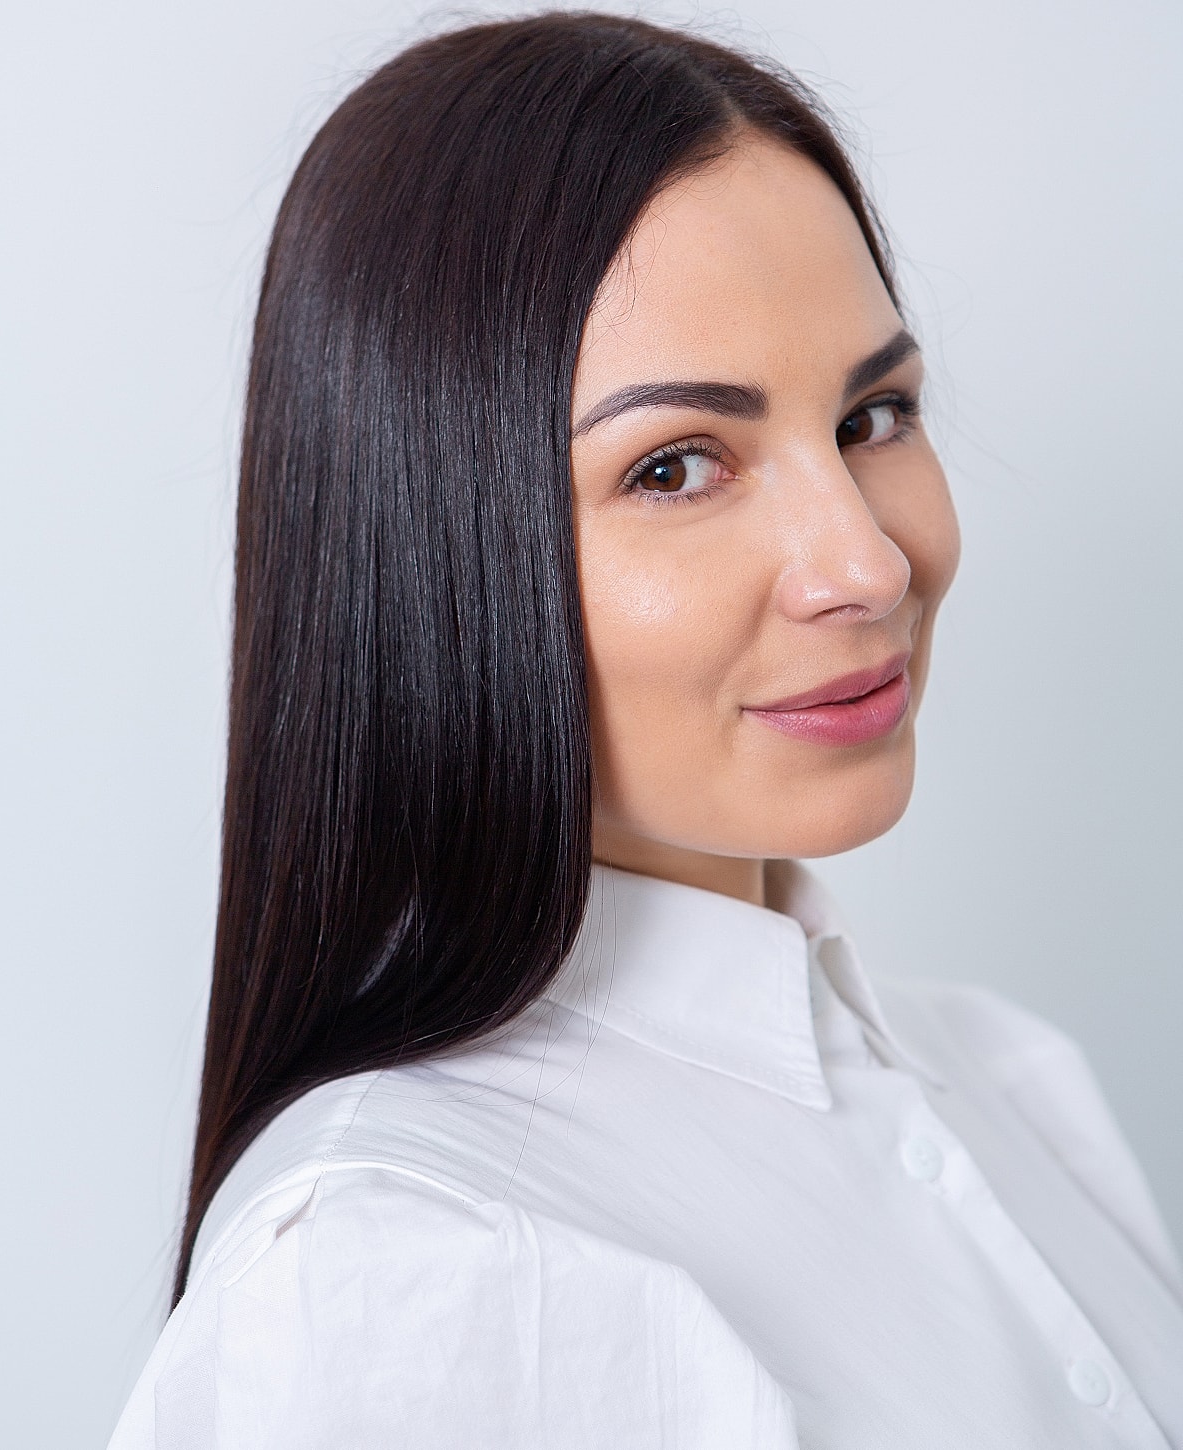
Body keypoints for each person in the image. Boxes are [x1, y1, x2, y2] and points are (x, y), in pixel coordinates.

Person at [107, 13, 1183, 1447]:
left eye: (874, 415)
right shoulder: (403, 1274)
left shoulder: (1018, 1085)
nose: (865, 563)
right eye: (677, 465)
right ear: (435, 551)